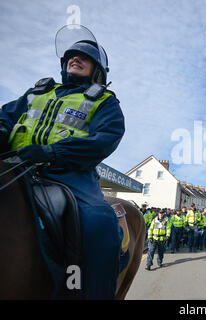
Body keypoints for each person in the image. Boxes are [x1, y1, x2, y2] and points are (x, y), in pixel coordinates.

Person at [0, 25, 125, 299]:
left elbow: (105, 139)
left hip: (67, 174)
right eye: (70, 56)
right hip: (15, 167)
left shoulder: (103, 102)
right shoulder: (36, 93)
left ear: (98, 70)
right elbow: (5, 117)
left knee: (100, 222)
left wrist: (53, 152)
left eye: (83, 57)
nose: (74, 59)